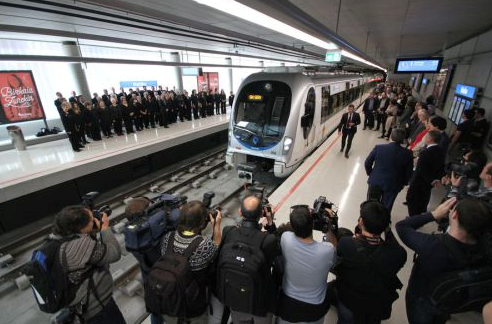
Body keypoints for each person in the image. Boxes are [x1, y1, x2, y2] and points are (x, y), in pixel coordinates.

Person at [396, 197, 492, 324]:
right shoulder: (485, 248)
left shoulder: (433, 246)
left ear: (454, 214)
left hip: (422, 297)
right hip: (450, 298)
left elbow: (402, 226)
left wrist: (433, 214)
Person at [333, 201, 407, 324]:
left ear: (361, 222)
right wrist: (386, 228)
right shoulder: (399, 254)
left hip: (349, 300)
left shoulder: (347, 244)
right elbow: (394, 246)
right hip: (375, 304)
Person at [53, 205, 126, 324]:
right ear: (81, 228)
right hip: (97, 309)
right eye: (91, 219)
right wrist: (104, 228)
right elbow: (114, 253)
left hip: (79, 305)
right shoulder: (80, 246)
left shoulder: (60, 239)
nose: (95, 219)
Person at [216, 195, 281, 324]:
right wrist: (270, 222)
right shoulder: (268, 240)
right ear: (261, 213)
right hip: (260, 302)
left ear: (240, 212)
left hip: (235, 298)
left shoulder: (228, 231)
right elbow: (278, 255)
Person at [158, 201, 222, 324]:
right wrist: (216, 224)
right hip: (194, 304)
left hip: (171, 299)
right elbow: (216, 246)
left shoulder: (167, 238)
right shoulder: (204, 245)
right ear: (202, 223)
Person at [277, 205, 336, 324]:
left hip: (288, 305)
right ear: (313, 225)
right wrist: (329, 227)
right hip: (315, 309)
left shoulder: (285, 238)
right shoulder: (327, 250)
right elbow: (334, 245)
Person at [364, 128, 413, 212]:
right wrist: (403, 183)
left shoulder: (379, 148)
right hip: (394, 184)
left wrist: (370, 173)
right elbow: (408, 172)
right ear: (402, 140)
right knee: (387, 206)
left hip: (376, 181)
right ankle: (384, 221)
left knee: (371, 204)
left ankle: (369, 219)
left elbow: (367, 162)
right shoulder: (408, 153)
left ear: (391, 137)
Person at [406, 131, 446, 216]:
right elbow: (441, 166)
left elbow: (421, 169)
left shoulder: (426, 152)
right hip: (431, 181)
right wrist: (436, 179)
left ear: (430, 139)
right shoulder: (441, 151)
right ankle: (418, 215)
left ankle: (413, 218)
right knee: (423, 198)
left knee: (411, 198)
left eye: (426, 136)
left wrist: (431, 180)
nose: (424, 137)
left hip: (419, 180)